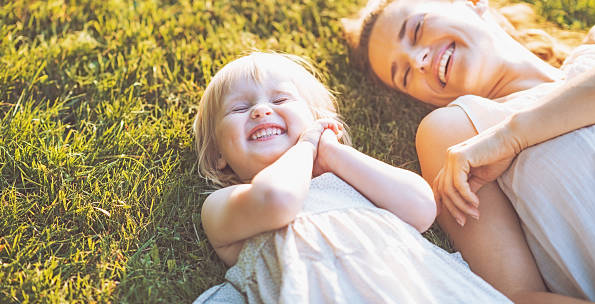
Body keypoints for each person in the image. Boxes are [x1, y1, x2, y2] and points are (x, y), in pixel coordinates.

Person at [342, 0, 595, 303]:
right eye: (404, 75)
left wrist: (512, 137)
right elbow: (517, 293)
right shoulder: (459, 132)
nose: (417, 59)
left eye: (416, 29)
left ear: (472, 0)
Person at [192, 52, 511, 303]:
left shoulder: (350, 178)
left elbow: (422, 208)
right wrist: (305, 146)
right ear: (219, 155)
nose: (261, 111)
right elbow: (278, 200)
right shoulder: (226, 203)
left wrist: (332, 153)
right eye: (238, 109)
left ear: (318, 122)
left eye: (279, 100)